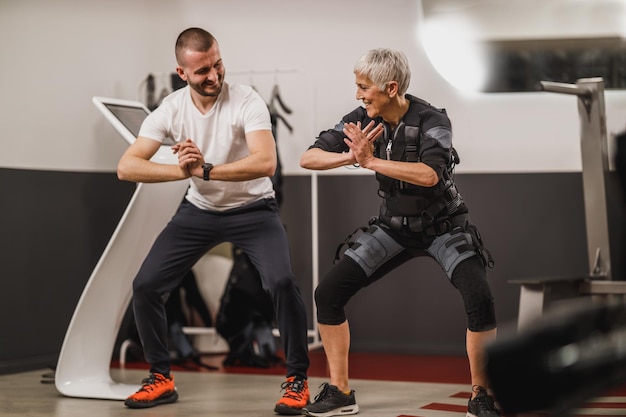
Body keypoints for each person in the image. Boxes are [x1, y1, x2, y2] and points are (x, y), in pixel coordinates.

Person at [117, 27, 310, 414]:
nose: (214, 76)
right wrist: (183, 171)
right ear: (182, 72)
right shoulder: (170, 108)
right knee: (146, 285)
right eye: (202, 70)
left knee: (281, 282)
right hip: (199, 212)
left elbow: (265, 163)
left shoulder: (247, 101)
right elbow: (127, 166)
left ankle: (297, 380)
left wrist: (204, 170)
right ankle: (160, 377)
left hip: (254, 210)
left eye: (217, 64)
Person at [299, 48, 500, 417]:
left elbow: (430, 174)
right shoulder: (361, 119)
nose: (358, 95)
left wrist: (371, 161)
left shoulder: (432, 119)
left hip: (443, 227)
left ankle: (481, 394)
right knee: (327, 294)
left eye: (364, 87)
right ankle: (341, 393)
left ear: (390, 88)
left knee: (479, 296)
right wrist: (349, 157)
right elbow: (308, 158)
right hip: (394, 227)